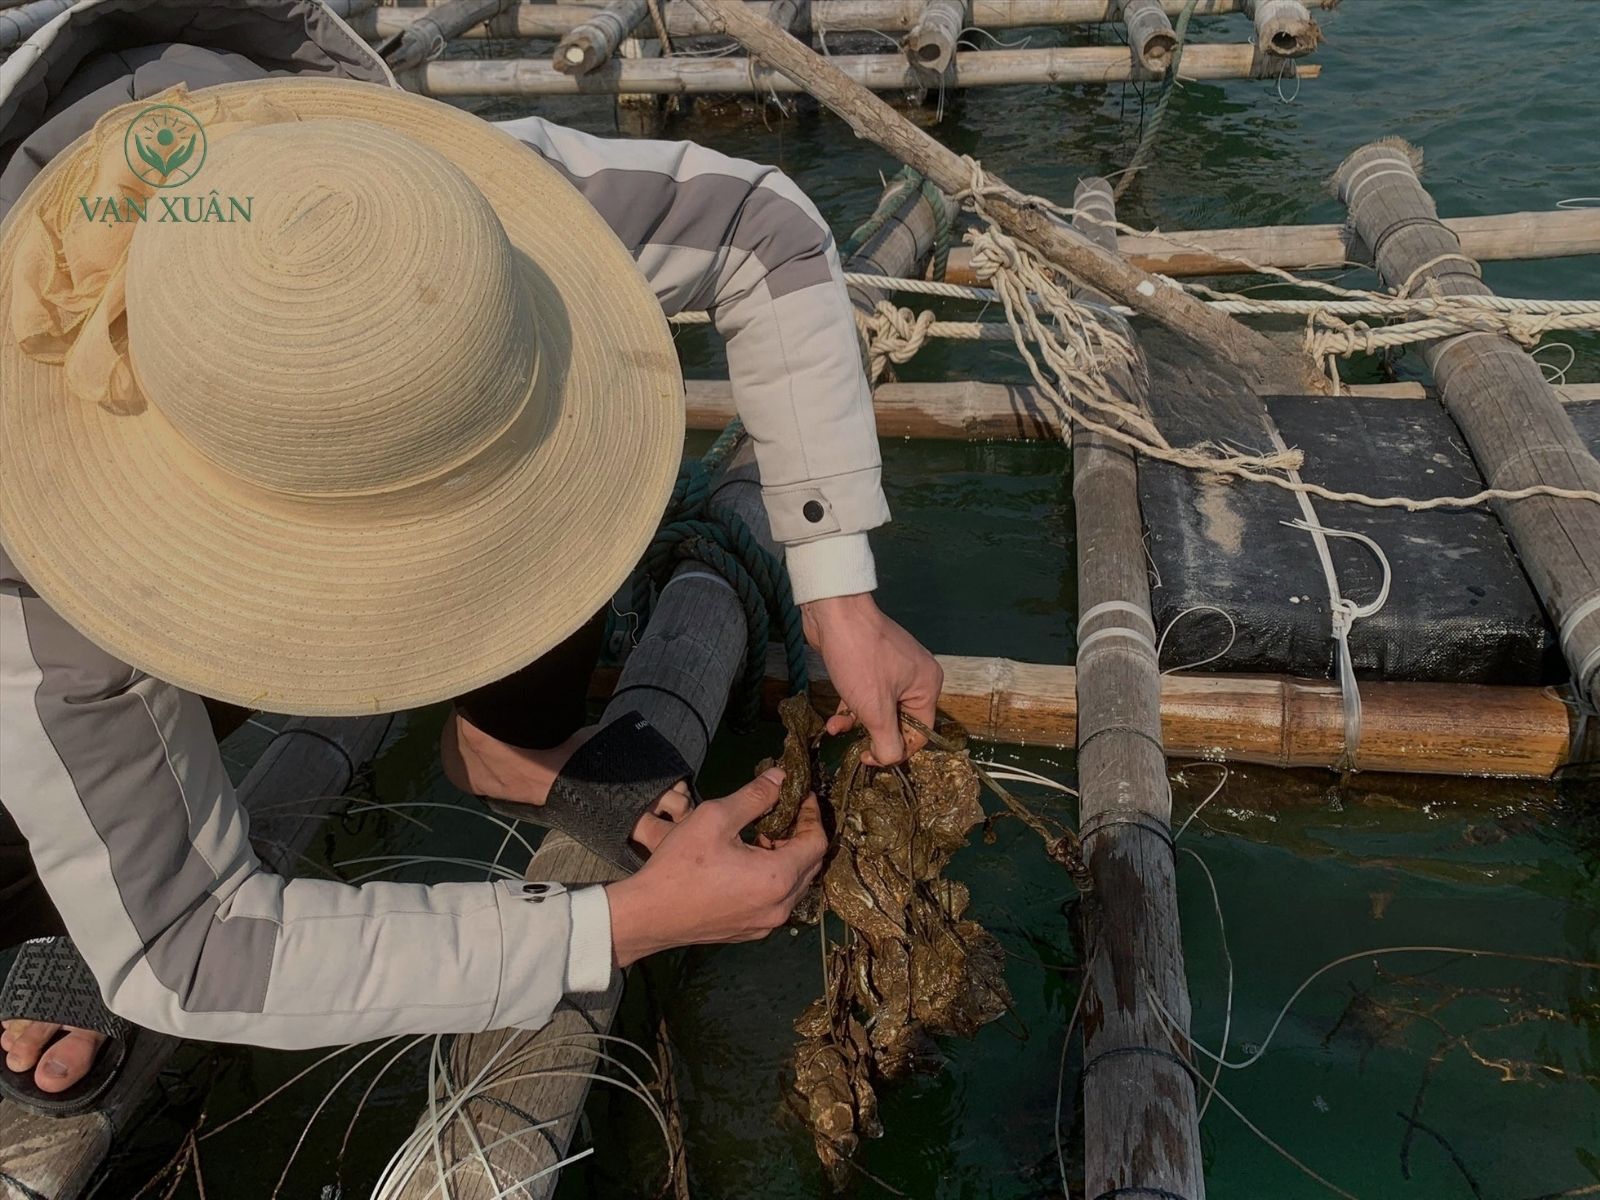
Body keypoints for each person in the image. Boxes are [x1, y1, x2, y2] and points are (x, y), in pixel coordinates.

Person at [0, 0, 942, 1114]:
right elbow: (185, 948)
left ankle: (507, 744)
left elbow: (761, 227)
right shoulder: (30, 574)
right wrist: (614, 925)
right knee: (67, 813)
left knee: (562, 420)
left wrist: (837, 592)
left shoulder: (385, 192)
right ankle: (46, 896)